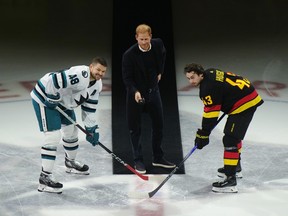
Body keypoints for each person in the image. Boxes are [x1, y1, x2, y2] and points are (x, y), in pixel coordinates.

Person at [31, 57, 108, 194]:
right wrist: (51, 96)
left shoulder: (97, 85)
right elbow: (55, 80)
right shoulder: (80, 74)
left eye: (103, 71)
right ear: (91, 67)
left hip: (63, 102)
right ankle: (44, 178)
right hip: (45, 98)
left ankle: (70, 163)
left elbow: (89, 109)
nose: (100, 73)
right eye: (98, 70)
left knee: (72, 132)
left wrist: (91, 129)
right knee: (53, 136)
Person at [184, 63, 263, 193]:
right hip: (246, 95)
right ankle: (235, 167)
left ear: (201, 75)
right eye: (188, 78)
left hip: (244, 103)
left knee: (230, 139)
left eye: (193, 77)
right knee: (233, 136)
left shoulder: (206, 89)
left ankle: (231, 179)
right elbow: (224, 88)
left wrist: (203, 134)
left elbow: (211, 115)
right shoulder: (211, 72)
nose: (191, 81)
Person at [122, 24, 176, 174]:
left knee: (159, 125)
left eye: (146, 39)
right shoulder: (129, 55)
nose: (144, 42)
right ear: (136, 38)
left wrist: (160, 72)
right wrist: (135, 91)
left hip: (154, 91)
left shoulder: (158, 44)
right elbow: (127, 79)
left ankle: (158, 157)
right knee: (135, 129)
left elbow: (163, 56)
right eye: (141, 39)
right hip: (136, 94)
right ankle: (138, 160)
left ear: (151, 36)